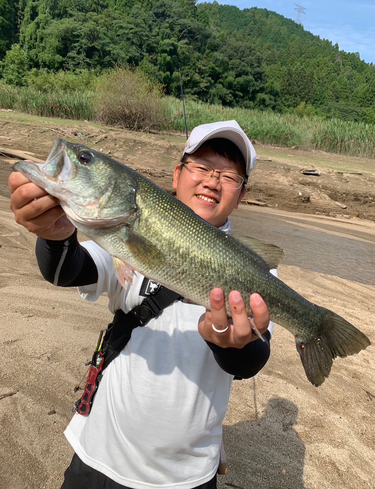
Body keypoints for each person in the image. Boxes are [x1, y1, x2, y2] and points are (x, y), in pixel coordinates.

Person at [9, 120, 274, 489]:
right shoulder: (120, 234)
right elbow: (68, 271)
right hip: (97, 455)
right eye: (201, 166)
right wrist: (56, 238)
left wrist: (234, 344)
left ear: (242, 195)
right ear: (177, 175)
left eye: (229, 175)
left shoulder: (260, 274)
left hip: (187, 476)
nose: (212, 180)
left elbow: (252, 360)